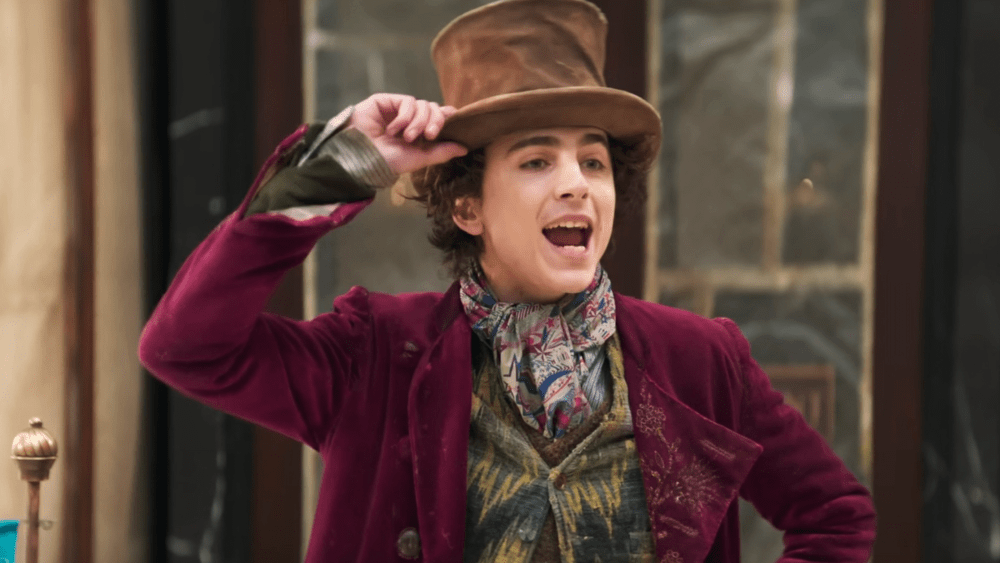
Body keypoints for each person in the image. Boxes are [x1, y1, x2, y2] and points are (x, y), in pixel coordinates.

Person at [139, 0, 876, 561]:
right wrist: (337, 165)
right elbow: (187, 347)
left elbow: (835, 516)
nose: (576, 183)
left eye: (593, 161)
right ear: (468, 207)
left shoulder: (701, 359)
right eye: (536, 160)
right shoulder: (376, 356)